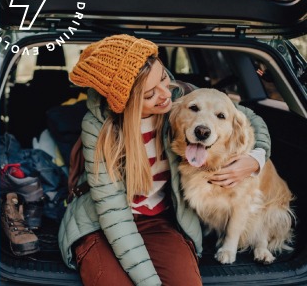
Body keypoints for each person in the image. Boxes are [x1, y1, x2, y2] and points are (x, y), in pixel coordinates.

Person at [58, 34, 271, 286]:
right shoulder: (97, 127)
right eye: (149, 94)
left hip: (160, 219)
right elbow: (113, 213)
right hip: (103, 222)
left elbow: (249, 118)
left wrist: (256, 159)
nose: (165, 94)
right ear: (126, 101)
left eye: (162, 77)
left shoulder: (182, 98)